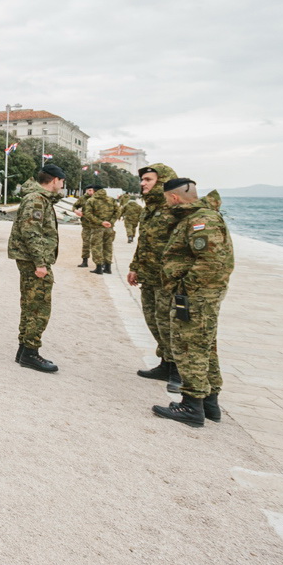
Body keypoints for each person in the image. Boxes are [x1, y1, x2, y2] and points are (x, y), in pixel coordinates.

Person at [152, 178, 234, 427]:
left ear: (174, 198)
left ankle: (191, 405)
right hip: (202, 295)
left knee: (189, 348)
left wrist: (184, 288)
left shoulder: (200, 221)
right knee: (205, 346)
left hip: (196, 296)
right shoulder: (200, 216)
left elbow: (211, 261)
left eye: (167, 199)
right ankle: (209, 403)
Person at [7, 164, 66, 373]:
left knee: (30, 303)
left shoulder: (39, 198)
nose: (62, 185)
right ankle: (30, 353)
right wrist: (40, 263)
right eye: (62, 181)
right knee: (39, 306)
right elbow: (30, 231)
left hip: (31, 258)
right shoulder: (36, 200)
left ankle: (24, 350)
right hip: (33, 260)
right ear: (54, 180)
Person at [129, 164, 182, 391]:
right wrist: (134, 267)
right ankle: (166, 362)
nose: (143, 183)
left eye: (148, 180)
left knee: (170, 324)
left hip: (168, 280)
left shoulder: (177, 209)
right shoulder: (150, 209)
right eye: (142, 180)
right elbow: (144, 242)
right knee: (154, 322)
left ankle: (179, 371)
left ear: (163, 182)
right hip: (149, 276)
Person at [83, 183, 120, 274]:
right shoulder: (111, 199)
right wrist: (111, 222)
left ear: (94, 191)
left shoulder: (91, 200)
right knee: (108, 247)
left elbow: (88, 214)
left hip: (97, 228)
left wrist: (100, 222)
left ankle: (99, 268)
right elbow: (118, 211)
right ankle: (108, 267)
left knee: (96, 247)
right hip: (109, 228)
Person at [73, 185, 96, 268]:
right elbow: (74, 206)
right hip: (86, 225)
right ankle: (84, 261)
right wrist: (76, 211)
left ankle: (100, 263)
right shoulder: (83, 198)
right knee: (86, 243)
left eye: (90, 190)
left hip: (97, 226)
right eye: (88, 190)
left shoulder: (99, 199)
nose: (89, 192)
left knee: (98, 244)